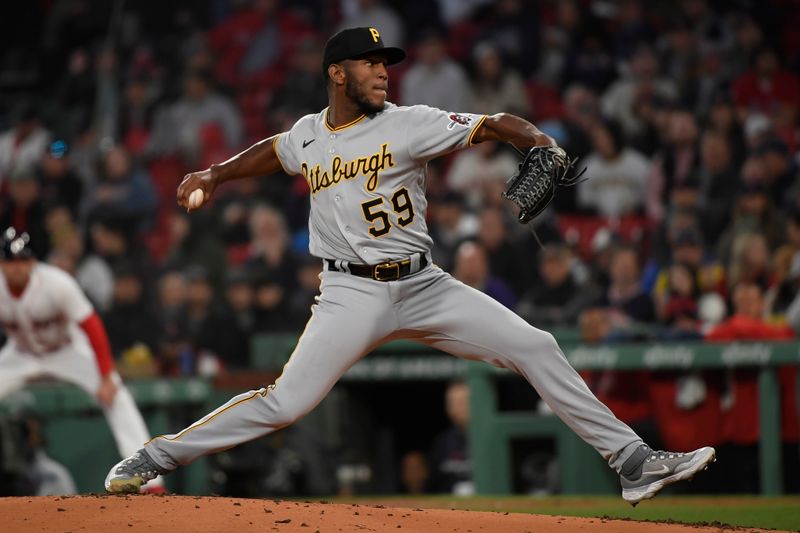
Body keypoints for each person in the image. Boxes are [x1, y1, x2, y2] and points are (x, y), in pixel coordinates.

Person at [105, 27, 715, 504]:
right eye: (370, 64)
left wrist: (537, 142)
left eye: (385, 63)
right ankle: (157, 457)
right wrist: (215, 173)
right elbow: (276, 152)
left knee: (535, 345)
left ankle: (632, 463)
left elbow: (492, 122)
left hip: (425, 284)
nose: (381, 72)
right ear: (337, 74)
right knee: (287, 402)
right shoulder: (309, 135)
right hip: (349, 294)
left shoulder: (408, 124)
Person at [0, 227, 163, 493]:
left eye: (22, 261)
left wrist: (107, 375)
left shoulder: (56, 284)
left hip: (67, 352)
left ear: (32, 262)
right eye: (9, 261)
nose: (16, 268)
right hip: (21, 354)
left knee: (117, 396)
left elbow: (91, 325)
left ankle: (151, 482)